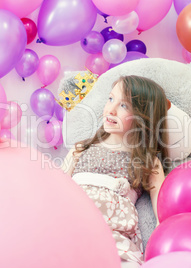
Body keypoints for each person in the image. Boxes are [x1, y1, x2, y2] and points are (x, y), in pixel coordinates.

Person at [62, 75, 169, 268]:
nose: (110, 110)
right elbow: (53, 191)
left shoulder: (147, 162)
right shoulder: (80, 150)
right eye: (111, 99)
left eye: (124, 106)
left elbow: (163, 215)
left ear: (144, 116)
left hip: (113, 241)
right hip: (70, 228)